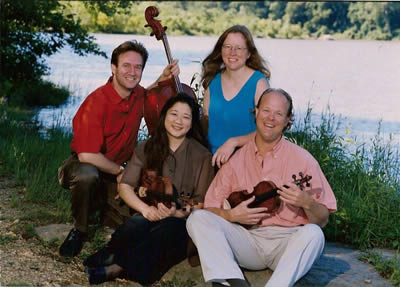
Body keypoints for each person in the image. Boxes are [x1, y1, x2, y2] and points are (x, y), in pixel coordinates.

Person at [186, 88, 337, 287]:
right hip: (247, 239)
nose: (271, 118)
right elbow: (210, 209)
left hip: (287, 242)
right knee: (197, 219)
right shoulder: (236, 161)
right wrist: (231, 216)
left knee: (314, 235)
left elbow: (322, 219)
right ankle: (234, 282)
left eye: (279, 113)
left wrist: (306, 202)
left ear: (288, 120)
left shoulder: (304, 160)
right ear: (256, 112)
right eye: (266, 110)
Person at [57, 40, 181, 257]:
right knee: (87, 175)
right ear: (113, 68)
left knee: (135, 219)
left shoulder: (137, 96)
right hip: (81, 165)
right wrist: (121, 172)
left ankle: (102, 209)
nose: (132, 72)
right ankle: (79, 230)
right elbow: (87, 155)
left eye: (138, 67)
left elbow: (148, 91)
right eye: (126, 66)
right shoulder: (96, 102)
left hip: (112, 172)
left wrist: (163, 79)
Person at [83, 93, 215, 285]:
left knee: (170, 230)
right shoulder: (147, 147)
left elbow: (201, 202)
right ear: (164, 116)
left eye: (186, 117)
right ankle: (111, 252)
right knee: (137, 223)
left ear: (192, 122)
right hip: (150, 214)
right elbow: (126, 185)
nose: (178, 121)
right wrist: (146, 210)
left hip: (182, 223)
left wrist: (176, 213)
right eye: (174, 114)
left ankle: (117, 268)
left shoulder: (203, 156)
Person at [201, 25, 270, 168]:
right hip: (213, 162)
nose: (232, 52)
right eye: (227, 47)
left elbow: (267, 131)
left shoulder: (259, 83)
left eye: (239, 48)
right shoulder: (212, 82)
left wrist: (233, 142)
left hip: (247, 163)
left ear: (249, 53)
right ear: (221, 51)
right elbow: (206, 125)